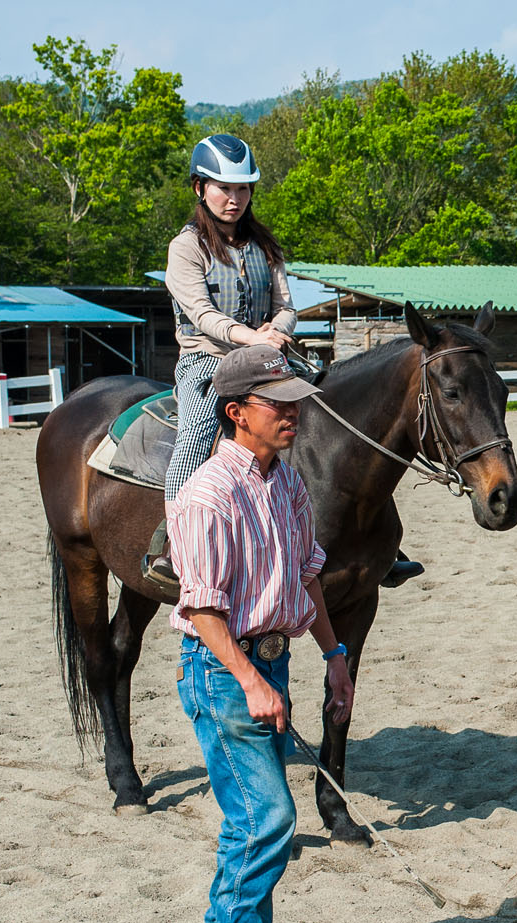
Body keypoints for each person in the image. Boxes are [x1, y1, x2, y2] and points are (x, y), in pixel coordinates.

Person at [146, 134, 422, 593]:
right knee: (195, 436)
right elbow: (202, 315)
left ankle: (379, 544)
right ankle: (176, 545)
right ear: (200, 188)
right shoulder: (186, 248)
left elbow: (287, 304)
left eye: (243, 190)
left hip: (271, 357)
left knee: (339, 418)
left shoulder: (264, 244)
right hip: (207, 362)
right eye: (223, 189)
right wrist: (254, 337)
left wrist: (278, 329)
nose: (234, 199)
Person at [170, 344, 355, 923]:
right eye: (277, 403)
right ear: (235, 412)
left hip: (268, 661)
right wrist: (250, 678)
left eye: (294, 401)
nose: (293, 413)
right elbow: (204, 610)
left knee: (252, 818)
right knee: (268, 817)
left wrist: (334, 654)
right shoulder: (205, 496)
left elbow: (308, 572)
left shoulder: (288, 483)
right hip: (222, 667)